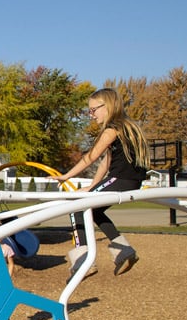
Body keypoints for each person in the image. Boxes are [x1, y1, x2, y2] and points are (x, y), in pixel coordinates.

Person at [55, 87, 149, 279]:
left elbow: (91, 157)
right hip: (129, 181)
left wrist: (66, 176)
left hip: (120, 179)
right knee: (94, 211)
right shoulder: (127, 127)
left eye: (93, 110)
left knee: (77, 206)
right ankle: (124, 252)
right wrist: (92, 186)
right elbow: (105, 163)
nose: (91, 115)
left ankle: (83, 261)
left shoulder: (112, 128)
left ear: (107, 106)